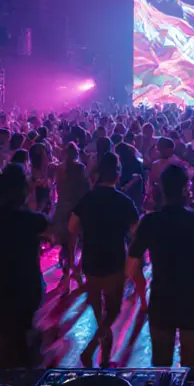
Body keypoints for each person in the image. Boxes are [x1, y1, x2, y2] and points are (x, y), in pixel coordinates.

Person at [127, 164, 194, 367]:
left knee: (161, 366)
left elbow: (132, 264)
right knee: (191, 365)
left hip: (163, 299)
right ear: (185, 189)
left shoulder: (149, 221)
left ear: (162, 189)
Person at [0, 163, 51, 367]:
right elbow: (51, 230)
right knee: (20, 338)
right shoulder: (31, 219)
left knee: (6, 336)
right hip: (25, 286)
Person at [70, 152, 139, 368]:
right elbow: (136, 231)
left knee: (98, 310)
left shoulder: (88, 198)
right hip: (114, 259)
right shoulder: (123, 201)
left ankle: (104, 357)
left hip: (91, 258)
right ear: (118, 175)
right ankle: (94, 351)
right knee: (113, 310)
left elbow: (72, 227)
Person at [51, 142, 90, 289]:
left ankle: (67, 271)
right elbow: (84, 189)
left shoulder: (60, 168)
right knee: (75, 242)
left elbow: (58, 188)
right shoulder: (80, 168)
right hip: (75, 207)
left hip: (62, 207)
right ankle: (75, 271)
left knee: (65, 242)